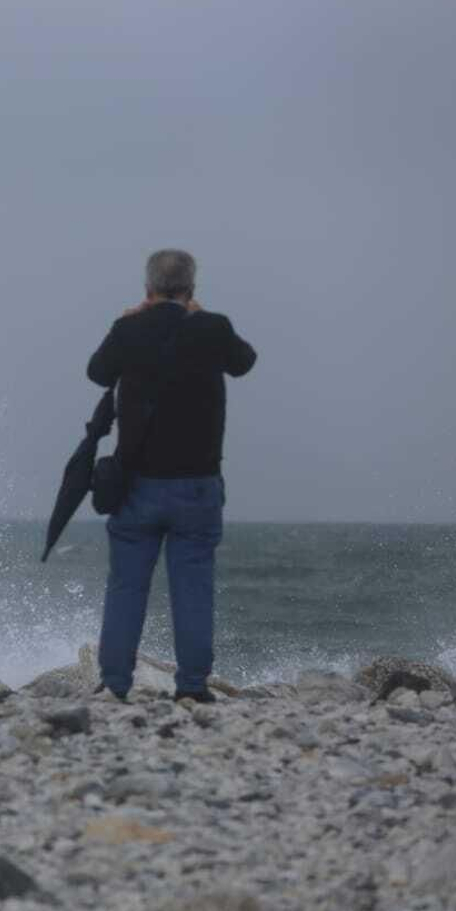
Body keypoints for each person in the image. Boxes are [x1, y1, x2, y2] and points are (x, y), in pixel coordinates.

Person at [86, 249, 257, 702]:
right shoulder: (212, 328)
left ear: (148, 288)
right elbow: (244, 361)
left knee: (126, 587)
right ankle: (192, 687)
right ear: (191, 289)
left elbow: (97, 372)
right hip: (197, 484)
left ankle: (115, 684)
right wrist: (200, 316)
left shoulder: (129, 329)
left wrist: (126, 320)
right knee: (192, 588)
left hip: (136, 484)